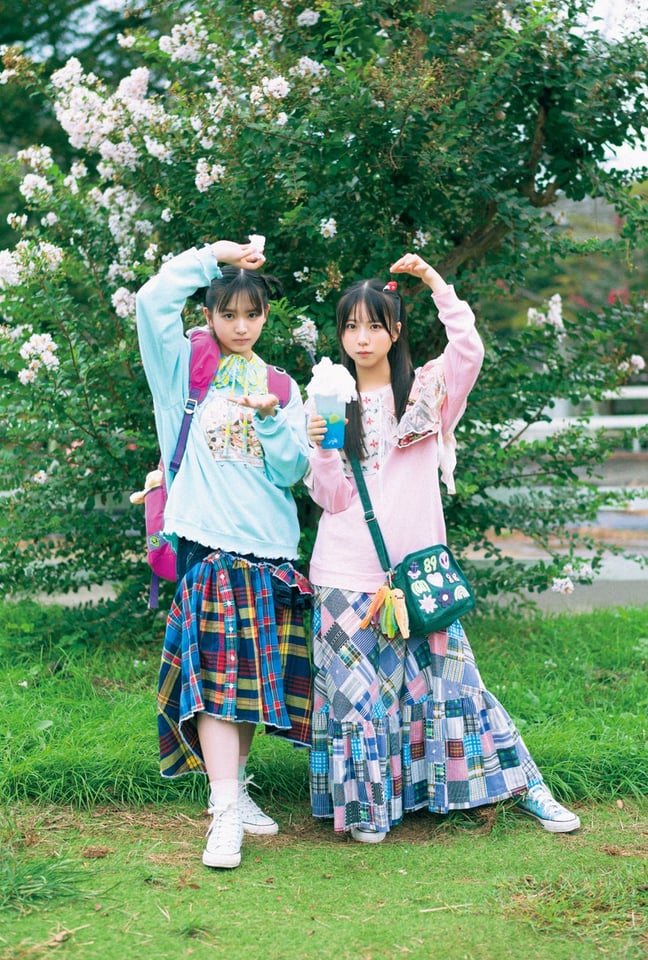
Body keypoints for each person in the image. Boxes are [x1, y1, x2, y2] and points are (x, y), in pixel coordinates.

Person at [305, 252, 580, 842]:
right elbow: (330, 497)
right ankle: (368, 808)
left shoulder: (426, 391)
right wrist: (323, 449)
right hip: (344, 573)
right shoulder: (327, 397)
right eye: (350, 326)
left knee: (457, 687)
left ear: (395, 330)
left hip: (418, 574)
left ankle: (525, 787)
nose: (361, 338)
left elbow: (469, 351)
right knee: (359, 701)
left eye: (374, 324)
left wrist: (433, 282)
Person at [136, 240, 312, 869]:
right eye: (228, 314)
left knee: (248, 685)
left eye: (252, 315)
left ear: (265, 317)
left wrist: (269, 418)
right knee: (215, 683)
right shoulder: (182, 369)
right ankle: (224, 812)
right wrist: (213, 255)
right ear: (209, 314)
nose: (241, 326)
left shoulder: (281, 385)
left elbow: (293, 471)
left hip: (269, 549)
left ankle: (234, 791)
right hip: (206, 544)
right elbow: (151, 300)